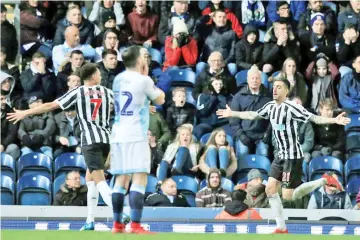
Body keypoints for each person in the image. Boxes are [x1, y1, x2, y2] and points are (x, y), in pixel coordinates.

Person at [216, 78, 351, 233]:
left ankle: (322, 181)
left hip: (292, 157)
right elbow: (253, 114)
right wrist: (232, 112)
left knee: (288, 196)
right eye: (274, 87)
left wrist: (334, 119)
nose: (274, 90)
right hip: (280, 156)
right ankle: (281, 228)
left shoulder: (292, 108)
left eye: (279, 87)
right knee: (270, 190)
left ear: (286, 91)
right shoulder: (271, 106)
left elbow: (314, 118)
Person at [7, 63, 114, 231]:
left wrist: (25, 112)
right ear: (93, 77)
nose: (101, 76)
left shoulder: (78, 92)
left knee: (100, 182)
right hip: (105, 140)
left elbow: (51, 105)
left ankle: (119, 213)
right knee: (90, 181)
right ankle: (90, 220)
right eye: (99, 74)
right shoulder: (108, 92)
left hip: (90, 141)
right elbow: (125, 105)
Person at [110, 45, 165, 234]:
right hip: (136, 134)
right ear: (139, 60)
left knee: (120, 180)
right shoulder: (144, 80)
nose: (146, 58)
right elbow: (160, 100)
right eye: (144, 56)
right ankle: (135, 224)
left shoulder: (117, 79)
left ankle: (117, 224)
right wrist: (147, 75)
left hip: (118, 134)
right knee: (139, 178)